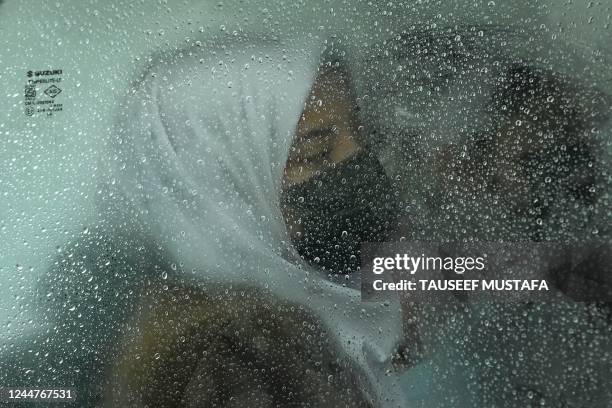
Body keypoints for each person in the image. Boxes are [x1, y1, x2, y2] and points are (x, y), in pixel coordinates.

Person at [79, 36, 406, 407]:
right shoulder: (221, 367)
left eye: (361, 134)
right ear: (220, 188)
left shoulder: (316, 307)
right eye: (315, 152)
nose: (357, 161)